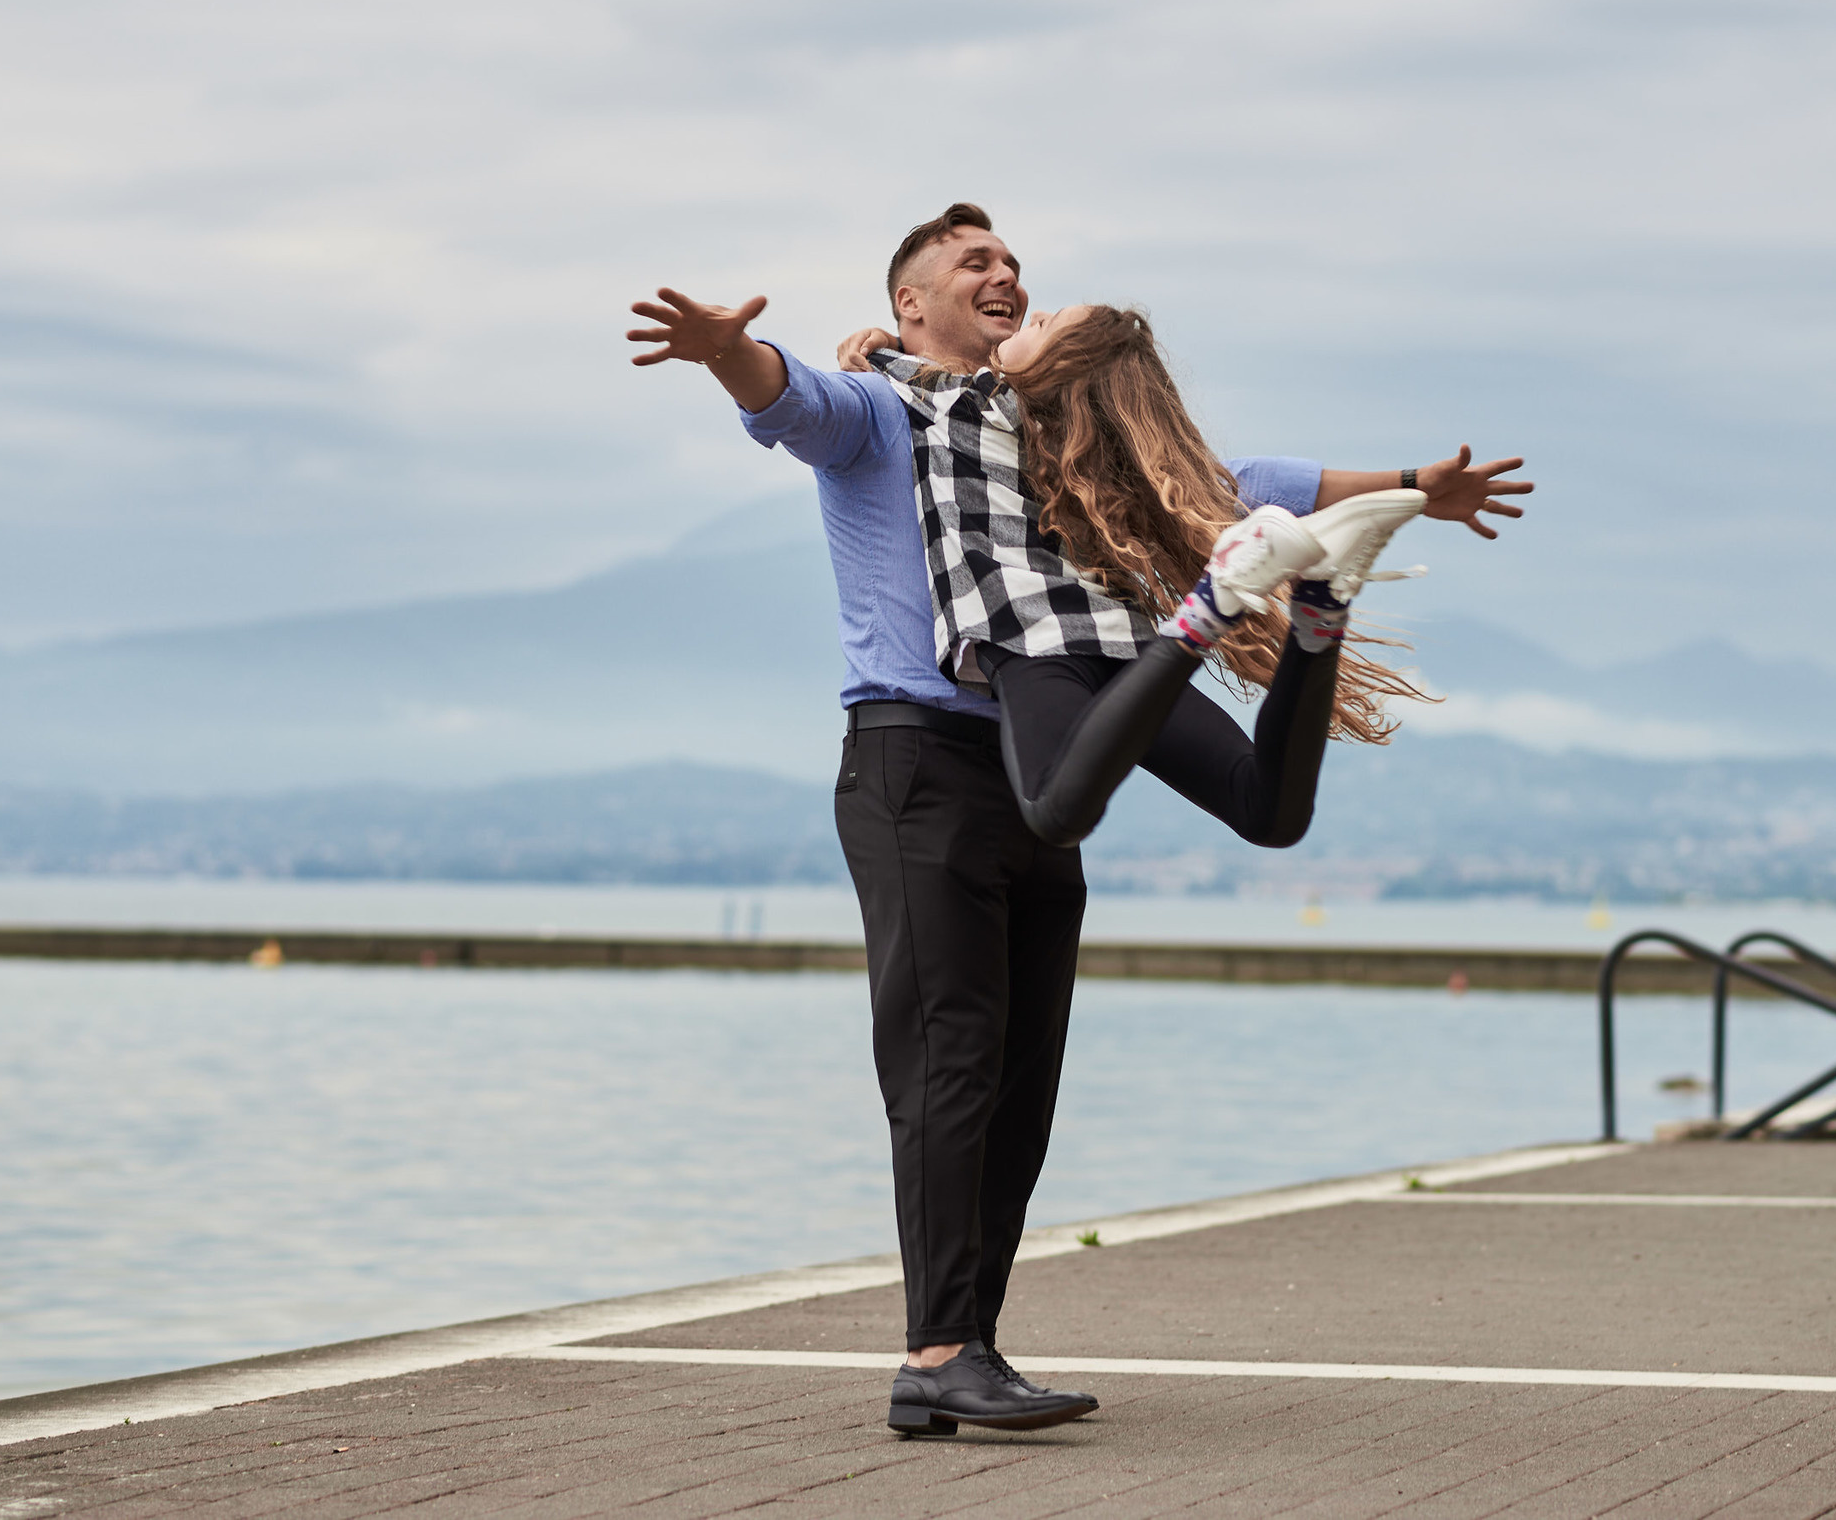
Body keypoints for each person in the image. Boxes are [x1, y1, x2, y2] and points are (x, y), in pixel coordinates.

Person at [626, 204, 1531, 1437]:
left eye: (1013, 263)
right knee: (949, 1058)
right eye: (971, 264)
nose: (1003, 275)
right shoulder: (880, 410)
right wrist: (724, 347)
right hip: (920, 761)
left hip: (1049, 749)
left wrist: (1421, 486)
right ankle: (938, 1347)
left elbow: (1250, 484)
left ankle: (963, 1348)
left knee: (1021, 1076)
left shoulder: (1058, 427)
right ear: (912, 306)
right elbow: (787, 398)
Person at [876, 301, 1431, 856]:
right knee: (1268, 812)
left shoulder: (962, 400)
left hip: (1031, 636)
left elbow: (857, 374)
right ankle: (1321, 603)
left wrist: (875, 345)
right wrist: (1406, 480)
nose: (1034, 312)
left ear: (1053, 370)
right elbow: (1237, 478)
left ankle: (1208, 611)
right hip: (1128, 644)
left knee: (1054, 810)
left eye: (1044, 326)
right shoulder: (1094, 449)